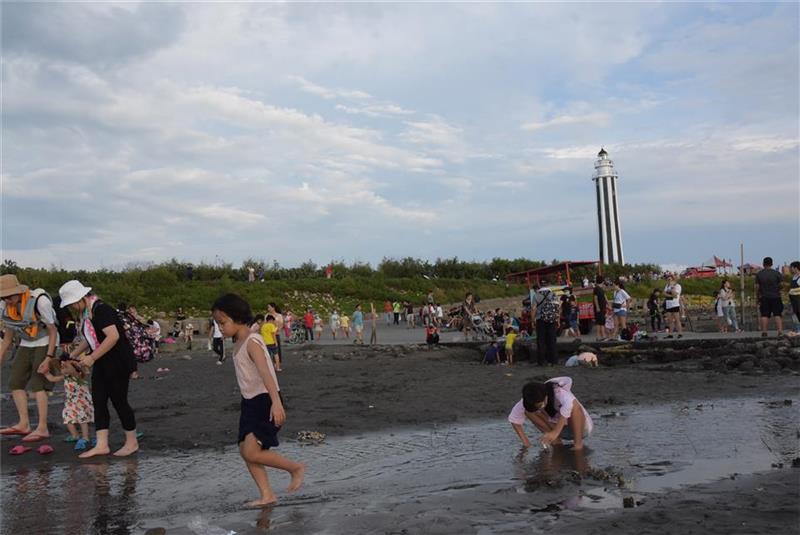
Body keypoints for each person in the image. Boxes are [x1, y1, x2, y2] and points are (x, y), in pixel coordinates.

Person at [211, 293, 304, 506]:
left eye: (222, 322)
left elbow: (266, 372)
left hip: (265, 400)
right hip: (250, 402)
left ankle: (295, 467)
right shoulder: (240, 341)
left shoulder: (252, 340)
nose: (220, 327)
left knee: (253, 451)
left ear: (237, 317)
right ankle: (267, 495)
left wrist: (277, 403)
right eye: (217, 323)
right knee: (246, 451)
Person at [59, 280, 138, 458]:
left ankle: (132, 442)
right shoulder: (89, 312)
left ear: (81, 298)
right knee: (99, 401)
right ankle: (102, 444)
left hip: (117, 362)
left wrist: (92, 357)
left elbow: (113, 337)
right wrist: (74, 354)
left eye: (72, 304)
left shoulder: (101, 310)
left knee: (119, 401)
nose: (72, 308)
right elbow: (90, 338)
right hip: (102, 361)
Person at [0, 274, 59, 442]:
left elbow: (53, 330)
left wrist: (48, 357)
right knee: (15, 381)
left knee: (37, 383)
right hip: (26, 342)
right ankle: (23, 424)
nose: (7, 300)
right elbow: (9, 334)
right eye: (3, 297)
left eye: (9, 296)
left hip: (46, 340)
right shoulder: (4, 306)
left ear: (18, 291)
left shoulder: (40, 302)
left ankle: (42, 427)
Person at [508, 377, 593, 451]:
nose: (541, 408)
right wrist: (527, 444)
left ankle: (578, 445)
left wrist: (556, 431)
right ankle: (556, 443)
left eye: (541, 404)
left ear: (546, 396)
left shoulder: (558, 392)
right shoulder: (527, 401)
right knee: (528, 411)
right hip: (557, 430)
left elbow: (570, 405)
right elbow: (514, 419)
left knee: (575, 406)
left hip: (580, 429)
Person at [43, 358, 94, 451]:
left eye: (65, 367)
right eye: (62, 367)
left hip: (81, 402)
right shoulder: (66, 377)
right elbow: (52, 378)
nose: (62, 369)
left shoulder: (78, 376)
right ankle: (75, 435)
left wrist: (74, 364)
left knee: (83, 420)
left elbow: (80, 369)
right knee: (67, 418)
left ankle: (85, 437)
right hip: (70, 402)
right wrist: (46, 373)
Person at [755, 257, 784, 337]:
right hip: (776, 296)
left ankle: (764, 332)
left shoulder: (759, 274)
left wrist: (757, 297)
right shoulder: (777, 273)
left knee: (764, 315)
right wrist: (778, 289)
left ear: (763, 264)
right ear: (772, 264)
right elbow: (782, 285)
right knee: (777, 314)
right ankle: (780, 332)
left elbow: (757, 287)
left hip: (764, 297)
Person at [531, 284, 559, 366]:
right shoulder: (553, 294)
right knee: (552, 340)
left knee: (541, 341)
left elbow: (533, 309)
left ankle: (542, 361)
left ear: (540, 286)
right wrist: (558, 320)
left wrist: (533, 320)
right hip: (552, 320)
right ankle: (553, 360)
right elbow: (557, 308)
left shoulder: (536, 295)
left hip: (541, 320)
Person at [663, 274, 683, 338]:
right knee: (670, 320)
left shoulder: (678, 286)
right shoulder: (667, 286)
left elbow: (675, 295)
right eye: (668, 279)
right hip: (668, 305)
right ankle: (670, 334)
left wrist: (672, 287)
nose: (669, 281)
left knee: (677, 320)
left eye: (670, 279)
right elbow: (664, 293)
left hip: (675, 304)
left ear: (673, 279)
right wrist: (670, 295)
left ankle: (680, 333)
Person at [267, 304, 285, 371]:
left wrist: (276, 329)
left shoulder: (279, 315)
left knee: (277, 349)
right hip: (268, 335)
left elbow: (281, 324)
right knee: (268, 350)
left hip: (276, 333)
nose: (268, 308)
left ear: (273, 307)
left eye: (269, 307)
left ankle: (277, 364)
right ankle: (270, 364)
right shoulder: (267, 315)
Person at [592, 277, 608, 341]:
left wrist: (608, 304)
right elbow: (595, 298)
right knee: (599, 322)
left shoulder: (601, 289)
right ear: (602, 281)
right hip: (599, 308)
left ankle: (602, 336)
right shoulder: (596, 288)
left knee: (601, 322)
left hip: (602, 308)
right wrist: (597, 307)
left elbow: (605, 297)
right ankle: (600, 336)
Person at [788, 261, 800, 336]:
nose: (790, 269)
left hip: (798, 299)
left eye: (791, 267)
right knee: (795, 314)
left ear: (796, 268)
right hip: (793, 300)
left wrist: (792, 291)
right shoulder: (794, 276)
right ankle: (797, 330)